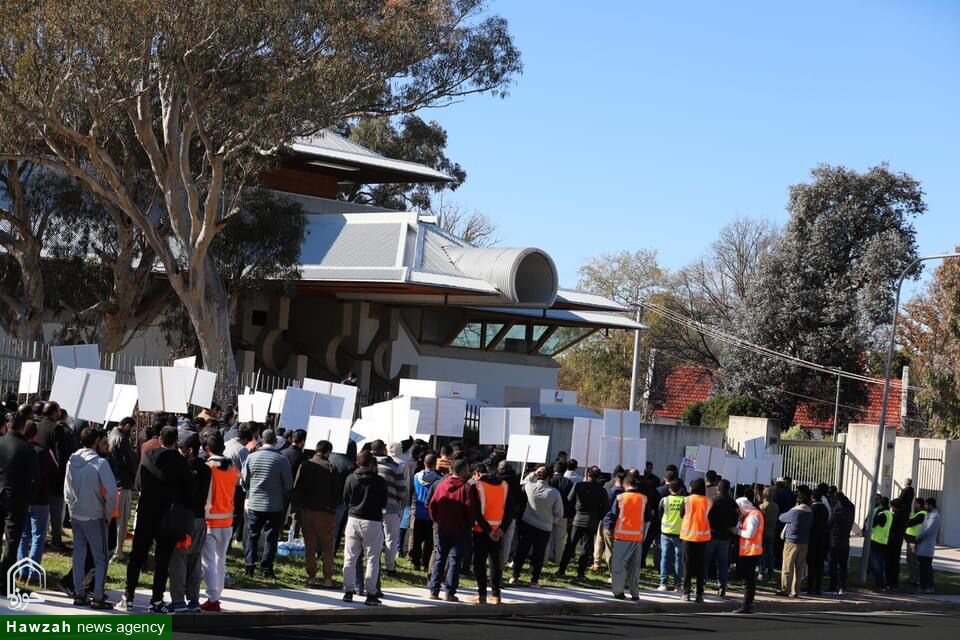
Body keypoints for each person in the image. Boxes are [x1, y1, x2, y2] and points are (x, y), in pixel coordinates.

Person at [122, 426, 194, 613]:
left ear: (160, 438)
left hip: (147, 510)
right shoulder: (180, 461)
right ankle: (156, 600)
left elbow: (139, 483)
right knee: (162, 561)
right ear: (175, 441)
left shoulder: (147, 455)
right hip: (168, 513)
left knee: (137, 556)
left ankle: (128, 596)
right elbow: (189, 489)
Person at [64, 427, 117, 609]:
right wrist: (108, 514)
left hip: (77, 513)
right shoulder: (100, 463)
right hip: (95, 514)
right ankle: (98, 596)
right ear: (95, 442)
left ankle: (79, 593)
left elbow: (67, 490)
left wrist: (71, 511)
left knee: (79, 554)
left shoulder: (72, 460)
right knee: (100, 557)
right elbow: (111, 493)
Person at [241, 429, 293, 579]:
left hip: (255, 503)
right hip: (274, 504)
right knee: (271, 536)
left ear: (261, 440)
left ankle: (249, 565)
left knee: (252, 535)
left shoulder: (251, 457)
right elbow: (288, 484)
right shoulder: (282, 460)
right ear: (275, 442)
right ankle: (267, 568)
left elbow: (244, 481)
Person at [342, 451, 388, 606]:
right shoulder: (379, 481)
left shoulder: (351, 478)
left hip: (353, 518)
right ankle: (371, 593)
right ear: (372, 464)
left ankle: (348, 591)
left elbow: (346, 498)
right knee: (373, 559)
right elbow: (383, 502)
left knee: (350, 557)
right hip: (372, 521)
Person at [200, 431, 238, 612]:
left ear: (207, 448)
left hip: (210, 521)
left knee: (208, 562)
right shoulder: (232, 468)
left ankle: (213, 598)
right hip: (227, 520)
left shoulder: (209, 467)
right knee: (220, 560)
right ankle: (217, 594)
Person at [0, 409, 37, 596]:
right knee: (12, 542)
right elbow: (32, 478)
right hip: (16, 499)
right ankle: (5, 582)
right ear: (23, 427)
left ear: (8, 425)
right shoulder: (27, 448)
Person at [294, 440, 340, 589]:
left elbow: (297, 487)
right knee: (327, 545)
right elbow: (337, 493)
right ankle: (327, 578)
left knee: (309, 544)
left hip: (307, 510)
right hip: (326, 512)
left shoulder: (305, 465)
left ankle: (311, 577)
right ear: (328, 452)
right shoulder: (332, 468)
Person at [427, 458, 474, 602]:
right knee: (454, 560)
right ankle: (449, 591)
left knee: (440, 558)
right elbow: (470, 509)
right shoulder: (466, 487)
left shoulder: (441, 484)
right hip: (460, 528)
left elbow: (432, 505)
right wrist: (469, 524)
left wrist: (437, 520)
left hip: (442, 526)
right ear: (463, 470)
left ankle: (433, 590)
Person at [510, 465, 563, 588]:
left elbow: (525, 480)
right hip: (544, 527)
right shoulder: (554, 493)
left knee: (521, 551)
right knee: (538, 555)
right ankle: (534, 580)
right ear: (550, 477)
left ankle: (515, 576)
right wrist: (551, 521)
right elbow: (559, 513)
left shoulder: (530, 487)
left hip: (528, 523)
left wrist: (535, 472)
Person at [17, 420, 55, 587]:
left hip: (23, 498)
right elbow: (54, 469)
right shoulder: (42, 451)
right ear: (36, 433)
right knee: (38, 536)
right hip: (40, 498)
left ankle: (21, 572)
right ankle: (33, 573)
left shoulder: (19, 448)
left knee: (23, 536)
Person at [470, 462, 512, 605]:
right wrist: (502, 529)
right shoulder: (504, 485)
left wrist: (488, 530)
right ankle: (496, 595)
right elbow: (510, 510)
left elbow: (476, 512)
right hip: (498, 530)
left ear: (477, 473)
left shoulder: (477, 486)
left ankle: (482, 595)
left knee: (479, 563)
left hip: (481, 530)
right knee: (495, 563)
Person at [557, 465, 608, 581]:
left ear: (587, 474)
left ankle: (562, 569)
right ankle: (580, 573)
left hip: (577, 519)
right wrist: (598, 517)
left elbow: (569, 500)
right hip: (592, 522)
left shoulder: (579, 485)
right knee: (586, 548)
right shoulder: (601, 490)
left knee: (570, 545)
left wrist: (571, 515)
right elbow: (605, 507)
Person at [372, 440, 408, 579]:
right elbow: (401, 489)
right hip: (391, 506)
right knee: (390, 538)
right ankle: (390, 567)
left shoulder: (367, 464)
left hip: (371, 507)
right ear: (384, 449)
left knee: (373, 538)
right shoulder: (395, 466)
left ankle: (373, 563)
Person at [608, 471, 647, 601]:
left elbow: (613, 515)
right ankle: (635, 593)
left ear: (626, 484)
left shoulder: (620, 497)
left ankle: (619, 592)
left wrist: (609, 529)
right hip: (637, 537)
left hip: (622, 536)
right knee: (634, 568)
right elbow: (647, 517)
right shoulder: (643, 498)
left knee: (618, 566)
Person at [107, 417, 138, 562]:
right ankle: (118, 551)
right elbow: (129, 461)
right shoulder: (122, 440)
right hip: (123, 482)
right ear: (126, 426)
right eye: (131, 430)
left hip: (112, 480)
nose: (132, 433)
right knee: (122, 520)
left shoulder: (110, 435)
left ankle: (112, 547)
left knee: (112, 519)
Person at [679, 477, 711, 602]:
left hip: (687, 536)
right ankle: (699, 594)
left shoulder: (686, 500)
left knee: (687, 565)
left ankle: (686, 592)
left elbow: (681, 514)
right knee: (700, 566)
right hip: (703, 537)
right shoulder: (708, 501)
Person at [777, 487, 813, 598]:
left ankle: (785, 589)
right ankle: (796, 590)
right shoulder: (810, 512)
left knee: (788, 566)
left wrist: (793, 508)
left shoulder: (795, 511)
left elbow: (781, 518)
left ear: (798, 501)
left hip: (791, 541)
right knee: (799, 567)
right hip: (804, 542)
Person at [704, 479, 737, 597]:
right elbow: (735, 519)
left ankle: (702, 583)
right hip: (725, 537)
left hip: (711, 534)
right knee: (723, 563)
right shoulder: (732, 503)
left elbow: (706, 517)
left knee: (706, 561)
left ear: (718, 488)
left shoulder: (712, 501)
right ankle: (722, 586)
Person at [732, 494, 764, 614]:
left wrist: (736, 531)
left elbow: (749, 534)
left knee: (748, 580)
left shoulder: (753, 516)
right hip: (750, 551)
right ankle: (748, 604)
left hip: (751, 551)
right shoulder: (751, 514)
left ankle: (747, 604)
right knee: (748, 579)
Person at [410, 453, 440, 572]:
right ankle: (426, 562)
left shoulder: (416, 476)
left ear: (424, 463)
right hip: (430, 514)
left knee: (416, 538)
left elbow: (412, 491)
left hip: (417, 510)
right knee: (429, 541)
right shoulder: (438, 479)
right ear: (435, 464)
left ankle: (414, 561)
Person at [656, 479, 684, 591]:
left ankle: (663, 583)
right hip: (680, 533)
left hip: (666, 532)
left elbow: (660, 514)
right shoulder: (685, 500)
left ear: (669, 489)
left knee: (665, 558)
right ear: (681, 489)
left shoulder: (664, 500)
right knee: (679, 559)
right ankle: (678, 585)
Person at [282, 429, 308, 541]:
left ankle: (278, 534)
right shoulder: (303, 457)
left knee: (281, 512)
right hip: (297, 489)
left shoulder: (282, 453)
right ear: (302, 441)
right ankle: (294, 537)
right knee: (295, 515)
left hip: (282, 487)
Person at [828, 491, 855, 595]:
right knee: (843, 565)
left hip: (835, 540)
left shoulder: (838, 510)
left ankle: (833, 585)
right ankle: (843, 586)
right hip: (845, 540)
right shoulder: (851, 508)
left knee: (833, 564)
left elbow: (831, 523)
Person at [547, 461, 574, 564]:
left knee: (548, 536)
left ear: (554, 469)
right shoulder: (569, 482)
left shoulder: (549, 481)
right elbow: (571, 501)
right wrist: (571, 516)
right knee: (560, 538)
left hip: (549, 512)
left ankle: (547, 556)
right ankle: (558, 559)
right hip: (563, 513)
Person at [806, 486, 830, 595]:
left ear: (812, 497)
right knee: (819, 564)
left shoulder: (812, 508)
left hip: (812, 539)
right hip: (822, 538)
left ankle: (810, 586)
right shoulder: (825, 509)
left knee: (811, 563)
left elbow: (810, 524)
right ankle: (818, 587)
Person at [915, 497, 940, 594]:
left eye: (926, 504)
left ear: (931, 505)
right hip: (923, 544)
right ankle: (923, 586)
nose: (925, 506)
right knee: (922, 567)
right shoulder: (929, 515)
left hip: (927, 545)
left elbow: (927, 530)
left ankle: (929, 586)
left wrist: (918, 537)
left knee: (926, 567)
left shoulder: (934, 516)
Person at [885, 497, 909, 590]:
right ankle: (894, 582)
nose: (892, 509)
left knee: (890, 562)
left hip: (893, 541)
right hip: (898, 540)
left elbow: (892, 527)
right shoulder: (904, 515)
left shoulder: (896, 516)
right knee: (895, 562)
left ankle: (889, 582)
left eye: (892, 507)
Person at [869, 497, 892, 590]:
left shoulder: (882, 514)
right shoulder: (889, 514)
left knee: (876, 563)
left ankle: (879, 583)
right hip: (884, 540)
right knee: (881, 563)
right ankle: (881, 582)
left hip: (876, 539)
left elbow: (874, 524)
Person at [904, 497, 927, 587]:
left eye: (916, 503)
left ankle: (916, 579)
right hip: (910, 540)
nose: (914, 505)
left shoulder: (922, 514)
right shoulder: (915, 513)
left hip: (914, 540)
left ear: (920, 504)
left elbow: (910, 522)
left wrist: (906, 521)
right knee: (909, 560)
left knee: (914, 561)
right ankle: (912, 578)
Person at [758, 486, 779, 581]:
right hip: (771, 531)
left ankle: (761, 572)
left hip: (763, 532)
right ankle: (770, 572)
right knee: (770, 553)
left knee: (762, 553)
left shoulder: (763, 506)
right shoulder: (776, 506)